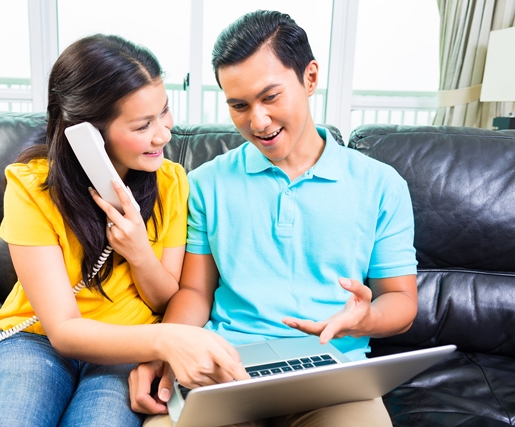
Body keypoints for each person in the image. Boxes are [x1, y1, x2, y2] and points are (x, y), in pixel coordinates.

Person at [131, 10, 418, 427]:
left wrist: (366, 319)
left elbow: (402, 301)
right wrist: (166, 349)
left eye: (270, 97)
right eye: (239, 105)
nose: (257, 121)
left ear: (311, 78)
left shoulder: (381, 185)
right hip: (224, 368)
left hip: (332, 378)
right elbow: (194, 290)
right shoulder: (207, 183)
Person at [0, 34, 247, 427]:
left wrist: (138, 252)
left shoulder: (172, 183)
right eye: (143, 125)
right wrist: (166, 340)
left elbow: (168, 301)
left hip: (129, 344)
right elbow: (62, 329)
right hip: (36, 341)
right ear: (87, 134)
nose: (163, 134)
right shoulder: (30, 186)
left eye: (164, 113)